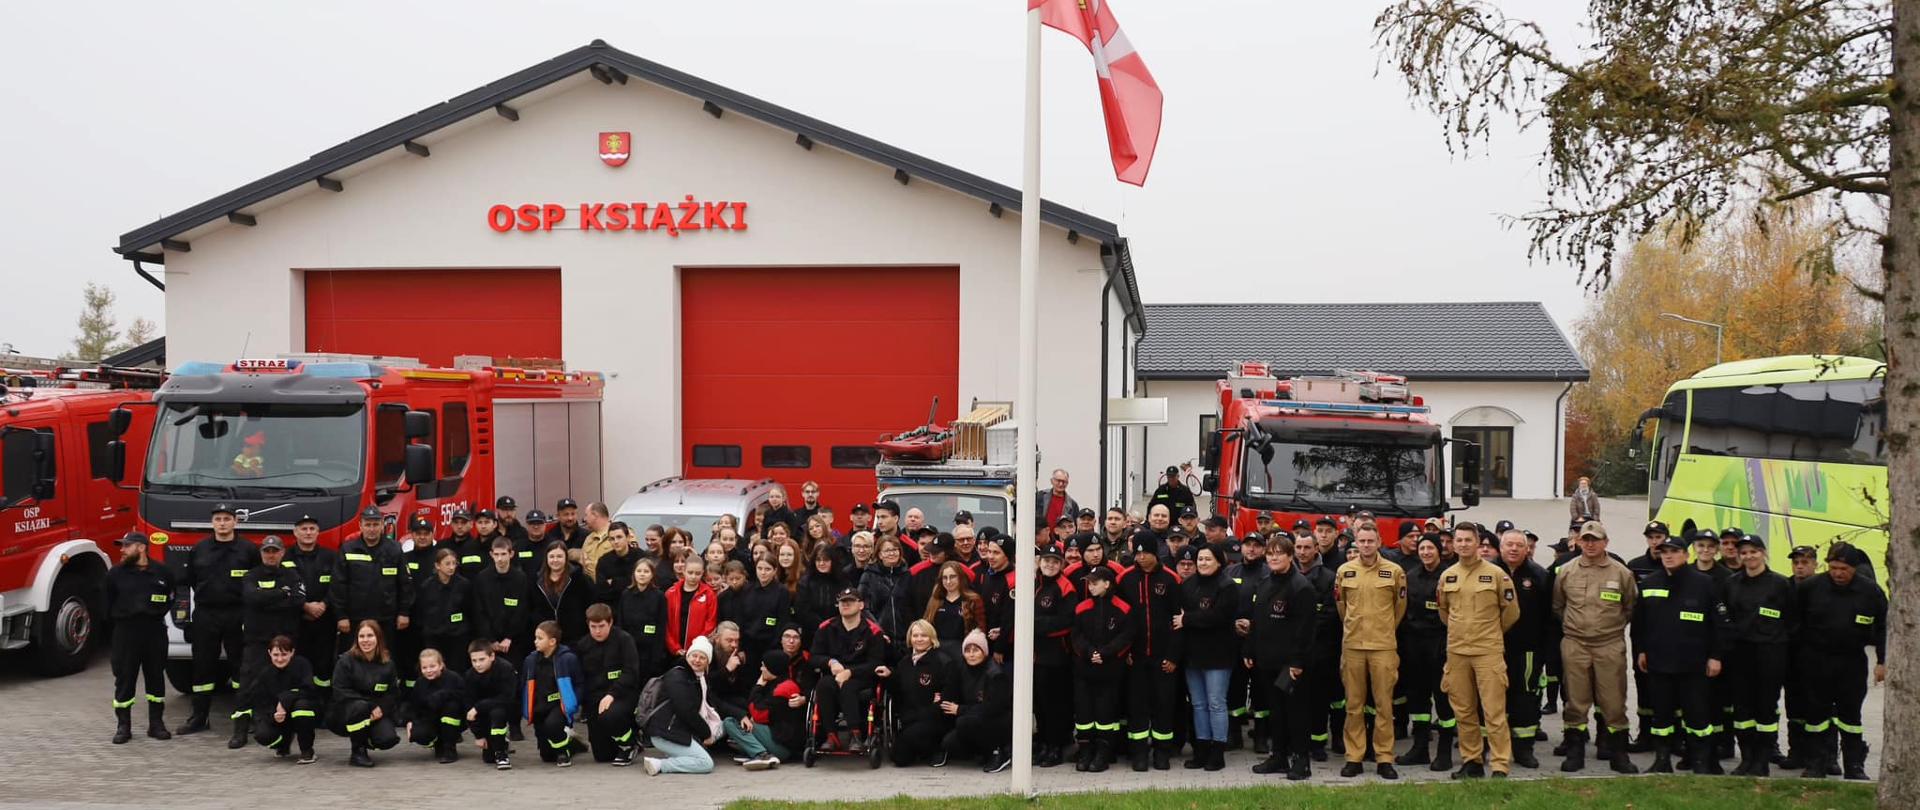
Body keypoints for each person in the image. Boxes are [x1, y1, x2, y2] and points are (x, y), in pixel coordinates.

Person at [1630, 529, 1728, 774]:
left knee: (1697, 716)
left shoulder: (1704, 584)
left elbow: (1720, 625)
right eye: (1665, 552)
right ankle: (1662, 761)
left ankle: (1700, 761)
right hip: (1659, 663)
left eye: (1674, 551)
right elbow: (1639, 623)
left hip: (1693, 664)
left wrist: (1716, 656)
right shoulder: (1650, 583)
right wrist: (1641, 651)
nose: (1668, 556)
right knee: (1661, 715)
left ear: (1686, 554)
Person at [1550, 521, 1639, 774]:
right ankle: (1575, 754)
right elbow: (1558, 605)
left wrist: (1609, 629)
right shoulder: (1566, 571)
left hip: (1609, 645)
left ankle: (1618, 755)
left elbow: (1629, 606)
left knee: (1614, 703)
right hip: (1575, 644)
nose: (1590, 544)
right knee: (1576, 703)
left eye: (1595, 539)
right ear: (1578, 542)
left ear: (1605, 543)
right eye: (1585, 539)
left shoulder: (1621, 573)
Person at [1794, 542, 1886, 780]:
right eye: (1833, 567)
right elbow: (1795, 622)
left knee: (1851, 717)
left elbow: (1884, 628)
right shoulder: (1811, 588)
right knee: (1815, 715)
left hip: (1851, 662)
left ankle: (1854, 766)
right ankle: (1816, 764)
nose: (1838, 573)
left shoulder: (1870, 592)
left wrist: (1882, 661)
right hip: (1816, 660)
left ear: (1854, 568)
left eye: (1844, 568)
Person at [1437, 522, 1522, 779]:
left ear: (1478, 543)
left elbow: (1511, 612)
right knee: (1463, 711)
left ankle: (1499, 764)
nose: (1463, 544)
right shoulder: (1447, 575)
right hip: (1458, 652)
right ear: (1453, 544)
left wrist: (1490, 634)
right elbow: (1444, 612)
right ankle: (1472, 761)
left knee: (1494, 711)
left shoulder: (1497, 575)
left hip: (1487, 652)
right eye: (1459, 540)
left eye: (1468, 540)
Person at [175, 503, 262, 735]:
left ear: (235, 521)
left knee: (241, 667)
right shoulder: (200, 549)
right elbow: (191, 580)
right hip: (206, 613)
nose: (222, 523)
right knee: (202, 667)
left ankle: (246, 716)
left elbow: (257, 580)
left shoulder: (248, 550)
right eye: (218, 519)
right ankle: (199, 718)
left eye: (226, 518)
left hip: (238, 613)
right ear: (212, 523)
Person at [1244, 536, 1319, 781]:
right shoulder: (1264, 583)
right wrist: (1249, 650)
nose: (1274, 558)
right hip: (1267, 661)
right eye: (1270, 554)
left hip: (1291, 664)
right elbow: (1257, 622)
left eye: (1280, 553)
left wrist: (1297, 662)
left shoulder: (1302, 587)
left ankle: (1301, 760)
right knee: (1275, 712)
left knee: (1296, 714)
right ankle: (1278, 756)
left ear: (1290, 556)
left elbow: (1306, 630)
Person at [1333, 524, 1404, 779]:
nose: (1365, 545)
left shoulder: (1394, 572)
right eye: (1361, 541)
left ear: (1379, 541)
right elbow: (1341, 607)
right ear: (1356, 542)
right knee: (1353, 705)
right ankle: (1354, 757)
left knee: (1384, 705)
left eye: (1370, 541)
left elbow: (1400, 607)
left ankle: (1385, 758)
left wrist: (1383, 631)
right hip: (1353, 646)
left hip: (1383, 647)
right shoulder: (1344, 572)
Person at [1721, 532, 1793, 776]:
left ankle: (1762, 760)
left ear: (1763, 553)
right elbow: (1725, 617)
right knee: (1742, 710)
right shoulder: (1732, 583)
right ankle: (1747, 758)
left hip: (1770, 653)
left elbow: (1792, 620)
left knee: (1765, 709)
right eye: (1744, 553)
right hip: (1740, 654)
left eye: (1753, 551)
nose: (1749, 556)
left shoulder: (1780, 584)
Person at [331, 506, 414, 696]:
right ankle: (354, 699)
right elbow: (338, 585)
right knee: (353, 659)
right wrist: (341, 616)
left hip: (387, 619)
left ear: (382, 526)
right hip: (354, 619)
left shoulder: (394, 549)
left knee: (387, 660)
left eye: (375, 524)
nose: (371, 528)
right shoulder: (348, 549)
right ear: (360, 526)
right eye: (367, 524)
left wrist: (404, 612)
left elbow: (405, 584)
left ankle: (388, 701)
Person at [104, 530, 175, 744]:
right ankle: (123, 726)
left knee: (156, 677)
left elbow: (170, 598)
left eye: (126, 546)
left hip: (154, 631)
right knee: (125, 679)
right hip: (126, 632)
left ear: (141, 548)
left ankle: (156, 724)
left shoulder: (163, 572)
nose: (122, 550)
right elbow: (106, 606)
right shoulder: (115, 574)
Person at [236, 535, 305, 748]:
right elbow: (251, 598)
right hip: (257, 641)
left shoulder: (292, 575)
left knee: (288, 685)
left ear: (282, 553)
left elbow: (297, 600)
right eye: (267, 551)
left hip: (285, 643)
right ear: (261, 553)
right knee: (248, 686)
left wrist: (266, 597)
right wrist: (281, 594)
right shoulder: (251, 575)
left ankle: (286, 728)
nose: (271, 554)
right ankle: (240, 731)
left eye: (275, 551)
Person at [1393, 534, 1454, 772]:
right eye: (1422, 548)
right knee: (1417, 700)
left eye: (1431, 548)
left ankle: (1444, 752)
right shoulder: (1410, 577)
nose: (1426, 552)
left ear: (1439, 551)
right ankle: (1419, 749)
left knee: (1444, 702)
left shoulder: (1449, 575)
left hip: (1440, 646)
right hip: (1414, 647)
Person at [1495, 528, 1552, 768]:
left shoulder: (1539, 576)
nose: (1514, 549)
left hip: (1528, 650)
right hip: (1494, 648)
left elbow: (1550, 615)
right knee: (1494, 698)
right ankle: (1495, 748)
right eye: (1509, 544)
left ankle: (1524, 749)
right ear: (1501, 546)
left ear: (1527, 548)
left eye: (1519, 545)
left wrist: (1545, 651)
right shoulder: (1489, 572)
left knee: (1526, 699)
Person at [1178, 543, 1238, 771]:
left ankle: (1217, 751)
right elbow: (1184, 615)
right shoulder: (1188, 585)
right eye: (1200, 559)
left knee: (1216, 703)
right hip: (1193, 655)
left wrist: (1188, 619)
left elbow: (1217, 617)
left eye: (1207, 559)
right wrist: (1193, 618)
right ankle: (1201, 749)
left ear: (1219, 561)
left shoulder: (1227, 586)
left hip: (1219, 655)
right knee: (1198, 704)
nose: (1202, 563)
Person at [809, 587, 887, 753]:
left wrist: (850, 672)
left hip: (863, 676)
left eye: (850, 602)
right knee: (823, 685)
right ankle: (830, 735)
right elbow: (814, 656)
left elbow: (876, 663)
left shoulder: (873, 631)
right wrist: (830, 662)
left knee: (849, 687)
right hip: (835, 674)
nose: (845, 605)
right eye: (842, 602)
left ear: (861, 605)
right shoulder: (826, 627)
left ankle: (855, 735)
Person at [1071, 563, 1131, 772]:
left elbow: (1125, 638)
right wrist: (1090, 653)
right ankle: (1086, 751)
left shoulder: (1122, 608)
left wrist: (1104, 653)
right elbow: (1076, 636)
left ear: (1107, 584)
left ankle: (1103, 754)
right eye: (1089, 583)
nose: (1091, 587)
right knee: (1084, 714)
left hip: (1110, 670)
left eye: (1095, 583)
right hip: (1085, 670)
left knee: (1106, 715)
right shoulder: (1081, 608)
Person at [640, 634, 723, 775]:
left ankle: (677, 755)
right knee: (705, 763)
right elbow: (685, 710)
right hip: (664, 733)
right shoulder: (677, 676)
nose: (697, 660)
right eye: (694, 655)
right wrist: (706, 733)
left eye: (702, 657)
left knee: (721, 727)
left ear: (708, 662)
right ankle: (659, 764)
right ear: (687, 656)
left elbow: (710, 703)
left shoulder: (699, 678)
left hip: (677, 730)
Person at [1622, 520, 1670, 753]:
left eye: (1659, 537)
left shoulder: (1673, 565)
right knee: (1643, 683)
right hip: (1643, 634)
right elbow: (1630, 601)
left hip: (1669, 636)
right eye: (1651, 537)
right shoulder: (1635, 566)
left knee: (1669, 687)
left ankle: (1671, 735)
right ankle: (1645, 734)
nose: (1655, 541)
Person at [573, 603, 641, 765]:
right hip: (596, 698)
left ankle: (629, 744)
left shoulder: (624, 640)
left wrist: (612, 694)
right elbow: (582, 679)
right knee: (602, 756)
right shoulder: (583, 645)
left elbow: (631, 673)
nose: (597, 631)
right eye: (593, 626)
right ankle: (622, 738)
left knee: (610, 715)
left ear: (610, 622)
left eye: (602, 626)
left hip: (623, 695)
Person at [1294, 531, 1341, 761]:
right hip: (1291, 651)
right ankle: (1296, 742)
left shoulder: (1328, 578)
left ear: (1315, 550)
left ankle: (1318, 743)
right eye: (1298, 547)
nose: (1302, 552)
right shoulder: (1286, 574)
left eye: (1306, 547)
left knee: (1319, 699)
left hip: (1320, 650)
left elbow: (1330, 614)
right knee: (1293, 699)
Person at [329, 620, 401, 768]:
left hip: (376, 712)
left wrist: (382, 708)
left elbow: (393, 693)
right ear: (356, 639)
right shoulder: (346, 661)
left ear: (378, 638)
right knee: (360, 707)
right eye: (361, 636)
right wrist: (371, 706)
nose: (366, 640)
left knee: (388, 739)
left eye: (370, 635)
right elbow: (340, 691)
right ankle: (358, 752)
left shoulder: (388, 664)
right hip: (347, 712)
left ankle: (365, 737)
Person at [939, 629, 1013, 772]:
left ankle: (998, 752)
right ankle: (984, 753)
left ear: (984, 652)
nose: (971, 654)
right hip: (972, 717)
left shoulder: (995, 674)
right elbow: (949, 696)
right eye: (967, 650)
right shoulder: (960, 667)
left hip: (998, 721)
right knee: (949, 743)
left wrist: (960, 710)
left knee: (964, 722)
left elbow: (994, 707)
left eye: (976, 650)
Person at [888, 620, 959, 766]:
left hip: (935, 719)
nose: (919, 639)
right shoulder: (904, 663)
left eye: (924, 635)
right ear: (910, 638)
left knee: (905, 746)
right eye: (915, 635)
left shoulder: (944, 662)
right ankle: (922, 750)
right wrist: (889, 676)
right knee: (898, 758)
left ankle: (939, 749)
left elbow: (948, 696)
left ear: (931, 638)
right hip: (909, 719)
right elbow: (899, 694)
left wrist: (931, 708)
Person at [1225, 532, 1271, 754]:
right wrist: (1233, 622)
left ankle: (1261, 737)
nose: (1251, 549)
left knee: (1261, 691)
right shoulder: (1230, 572)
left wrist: (1253, 624)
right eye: (1248, 545)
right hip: (1234, 642)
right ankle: (1234, 735)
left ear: (1263, 549)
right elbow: (1221, 603)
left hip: (1260, 642)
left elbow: (1274, 609)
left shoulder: (1269, 574)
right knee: (1235, 690)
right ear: (1241, 548)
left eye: (1256, 546)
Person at [1779, 544, 1822, 771]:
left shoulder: (1824, 587)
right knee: (1794, 707)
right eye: (1796, 562)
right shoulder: (1785, 587)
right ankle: (1796, 752)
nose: (1799, 567)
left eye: (1805, 562)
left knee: (1821, 709)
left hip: (1818, 657)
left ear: (1815, 564)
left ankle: (1825, 756)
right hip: (1792, 657)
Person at [243, 635, 319, 762]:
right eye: (276, 655)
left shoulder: (302, 665)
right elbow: (260, 704)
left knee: (302, 707)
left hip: (305, 711)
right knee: (262, 735)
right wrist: (273, 715)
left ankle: (307, 750)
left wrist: (284, 700)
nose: (279, 659)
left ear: (292, 652)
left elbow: (310, 690)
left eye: (284, 654)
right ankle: (283, 743)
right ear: (269, 653)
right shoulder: (265, 674)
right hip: (279, 716)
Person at [285, 515, 340, 689]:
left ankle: (322, 704)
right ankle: (299, 702)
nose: (308, 533)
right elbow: (283, 587)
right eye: (304, 529)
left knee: (323, 665)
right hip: (295, 621)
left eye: (312, 529)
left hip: (324, 621)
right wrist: (305, 606)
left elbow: (337, 585)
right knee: (297, 663)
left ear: (318, 532)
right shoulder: (285, 557)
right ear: (295, 532)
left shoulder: (331, 557)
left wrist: (324, 604)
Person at [522, 620, 584, 767]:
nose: (535, 641)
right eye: (535, 637)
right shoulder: (530, 660)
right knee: (547, 756)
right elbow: (524, 685)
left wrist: (574, 704)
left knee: (553, 725)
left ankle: (564, 753)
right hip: (540, 707)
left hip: (559, 706)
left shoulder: (568, 659)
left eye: (540, 638)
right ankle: (571, 743)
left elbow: (579, 683)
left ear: (552, 641)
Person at [732, 649, 806, 770]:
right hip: (784, 741)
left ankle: (761, 754)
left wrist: (758, 686)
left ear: (773, 668)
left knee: (731, 722)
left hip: (782, 747)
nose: (761, 669)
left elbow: (758, 714)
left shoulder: (782, 689)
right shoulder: (781, 683)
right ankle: (755, 752)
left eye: (764, 666)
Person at [404, 648, 469, 764]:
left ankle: (450, 749)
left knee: (451, 706)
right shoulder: (420, 683)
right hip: (431, 718)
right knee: (418, 734)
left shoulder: (453, 678)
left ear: (441, 665)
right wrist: (410, 722)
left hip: (454, 718)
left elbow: (463, 697)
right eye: (424, 668)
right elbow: (414, 705)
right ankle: (437, 742)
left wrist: (442, 695)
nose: (428, 670)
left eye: (432, 666)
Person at [415, 548, 473, 673]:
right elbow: (421, 611)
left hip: (457, 637)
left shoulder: (464, 585)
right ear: (437, 565)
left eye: (454, 563)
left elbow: (469, 611)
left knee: (457, 670)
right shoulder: (427, 586)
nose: (451, 567)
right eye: (447, 564)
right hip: (434, 637)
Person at [465, 639, 519, 770]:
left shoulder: (506, 668)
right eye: (474, 661)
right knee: (488, 758)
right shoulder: (469, 676)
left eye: (482, 659)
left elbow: (508, 698)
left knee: (498, 712)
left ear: (492, 656)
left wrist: (478, 707)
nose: (478, 664)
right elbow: (469, 709)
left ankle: (501, 755)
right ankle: (499, 742)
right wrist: (479, 735)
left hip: (507, 709)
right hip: (483, 714)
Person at [859, 536, 914, 654]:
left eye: (895, 549)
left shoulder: (908, 575)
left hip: (905, 638)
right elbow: (863, 607)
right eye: (887, 550)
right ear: (879, 554)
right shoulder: (869, 575)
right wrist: (878, 631)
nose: (892, 553)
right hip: (879, 636)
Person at [531, 541, 590, 645]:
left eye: (559, 556)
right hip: (546, 638)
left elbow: (588, 605)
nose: (555, 560)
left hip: (575, 637)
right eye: (552, 556)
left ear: (566, 558)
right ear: (546, 558)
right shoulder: (537, 581)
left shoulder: (579, 579)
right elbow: (532, 607)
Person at [666, 556, 720, 658]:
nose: (694, 576)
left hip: (697, 651)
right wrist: (674, 647)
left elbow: (710, 623)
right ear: (684, 571)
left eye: (698, 573)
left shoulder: (709, 594)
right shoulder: (670, 593)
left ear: (703, 573)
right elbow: (666, 624)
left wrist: (696, 646)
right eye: (690, 572)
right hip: (673, 650)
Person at [924, 560, 986, 649]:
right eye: (945, 578)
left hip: (964, 651)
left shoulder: (973, 600)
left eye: (952, 577)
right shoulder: (935, 600)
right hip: (938, 651)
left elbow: (980, 630)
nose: (948, 581)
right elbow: (926, 626)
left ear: (960, 578)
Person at [592, 522, 643, 602]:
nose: (616, 541)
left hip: (637, 603)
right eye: (612, 539)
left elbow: (642, 585)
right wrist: (629, 582)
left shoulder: (640, 557)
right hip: (613, 606)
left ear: (628, 537)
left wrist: (614, 582)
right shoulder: (604, 561)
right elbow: (602, 591)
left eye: (619, 537)